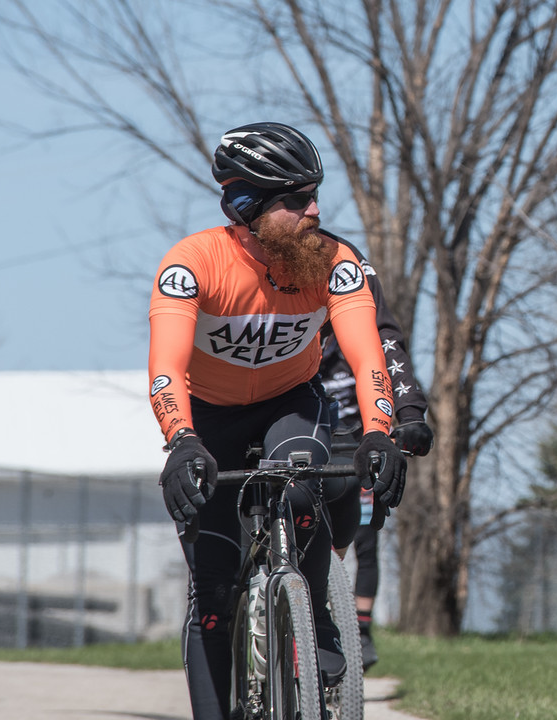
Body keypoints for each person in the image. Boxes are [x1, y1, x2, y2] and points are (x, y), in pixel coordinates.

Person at [148, 121, 407, 720]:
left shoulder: (333, 261)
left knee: (301, 478)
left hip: (290, 403)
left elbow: (369, 358)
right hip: (209, 417)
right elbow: (165, 368)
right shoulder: (194, 263)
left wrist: (379, 433)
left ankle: (314, 610)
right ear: (248, 207)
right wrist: (181, 440)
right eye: (296, 199)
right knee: (212, 593)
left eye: (315, 193)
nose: (315, 209)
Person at [316, 238, 433, 670]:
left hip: (353, 438)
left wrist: (410, 412)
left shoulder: (344, 261)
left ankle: (358, 629)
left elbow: (387, 341)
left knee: (363, 537)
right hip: (293, 424)